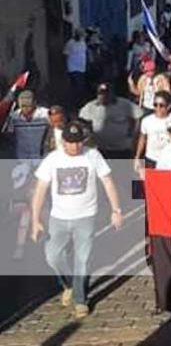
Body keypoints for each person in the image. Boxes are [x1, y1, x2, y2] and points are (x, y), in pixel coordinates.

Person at [31, 121, 124, 319]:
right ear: (63, 142)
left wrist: (116, 209)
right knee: (53, 256)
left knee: (83, 259)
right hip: (59, 217)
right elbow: (40, 190)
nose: (75, 147)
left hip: (86, 216)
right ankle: (69, 284)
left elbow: (107, 182)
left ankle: (80, 300)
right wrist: (35, 219)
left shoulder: (92, 155)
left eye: (78, 142)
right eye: (71, 143)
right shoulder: (52, 159)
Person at [79, 83, 143, 159]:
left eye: (106, 94)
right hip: (100, 149)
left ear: (112, 93)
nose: (103, 96)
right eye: (101, 94)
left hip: (122, 149)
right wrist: (89, 134)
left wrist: (134, 133)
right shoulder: (91, 106)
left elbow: (139, 115)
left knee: (124, 170)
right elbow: (81, 121)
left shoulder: (125, 104)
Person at [134, 91, 171, 172]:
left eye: (161, 105)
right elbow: (142, 139)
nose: (158, 108)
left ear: (169, 106)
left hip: (170, 160)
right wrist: (137, 157)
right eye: (155, 105)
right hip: (151, 159)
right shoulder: (147, 120)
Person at [6, 90, 50, 160]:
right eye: (23, 106)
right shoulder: (14, 117)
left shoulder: (46, 114)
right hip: (22, 157)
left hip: (42, 156)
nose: (26, 108)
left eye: (29, 105)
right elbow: (9, 135)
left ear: (35, 103)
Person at [64, 29, 88, 105]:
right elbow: (65, 54)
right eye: (79, 34)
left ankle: (79, 103)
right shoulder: (70, 43)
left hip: (82, 68)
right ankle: (76, 103)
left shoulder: (83, 42)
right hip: (73, 68)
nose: (80, 36)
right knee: (78, 87)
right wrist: (66, 68)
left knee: (81, 87)